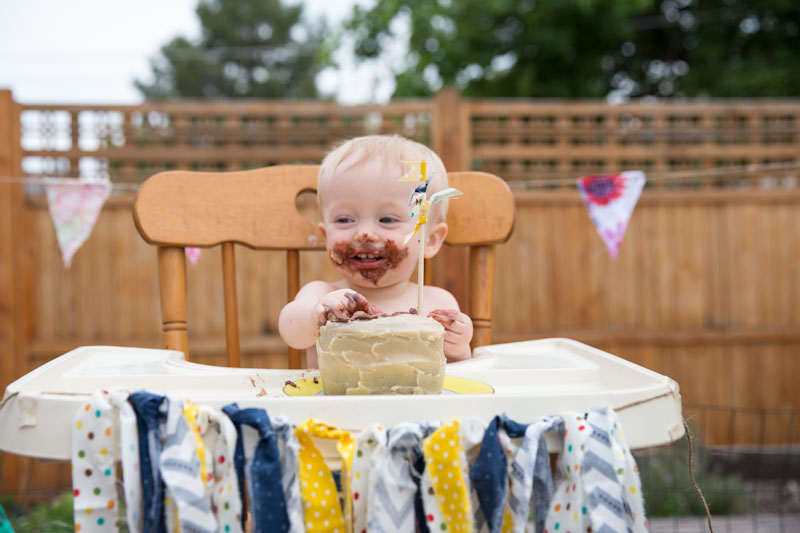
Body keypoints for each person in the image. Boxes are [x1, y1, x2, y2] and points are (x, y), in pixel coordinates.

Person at [278, 134, 473, 367]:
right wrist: (315, 317)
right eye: (344, 219)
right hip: (334, 404)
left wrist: (460, 349)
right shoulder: (321, 295)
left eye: (387, 219)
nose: (365, 233)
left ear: (429, 241)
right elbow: (290, 331)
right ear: (326, 236)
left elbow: (460, 378)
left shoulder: (437, 302)